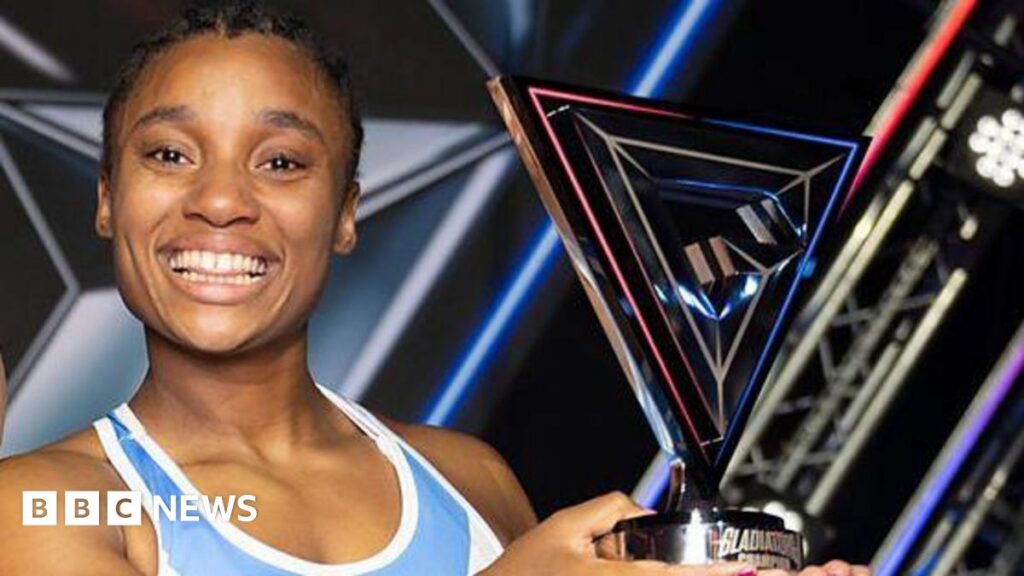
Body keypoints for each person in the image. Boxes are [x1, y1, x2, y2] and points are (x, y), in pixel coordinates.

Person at [0, 3, 868, 575]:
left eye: (281, 162)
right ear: (109, 200)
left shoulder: (467, 479)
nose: (222, 201)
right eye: (168, 155)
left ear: (345, 213)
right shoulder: (44, 505)